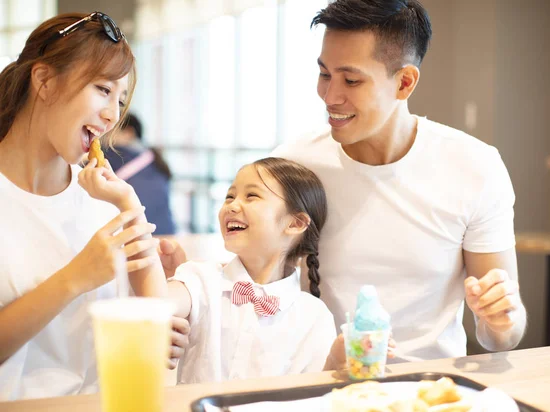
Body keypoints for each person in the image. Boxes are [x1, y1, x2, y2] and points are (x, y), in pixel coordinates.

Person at [272, 0, 527, 360]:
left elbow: (500, 338)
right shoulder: (292, 166)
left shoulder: (476, 167)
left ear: (405, 82)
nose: (330, 96)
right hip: (324, 384)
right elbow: (251, 297)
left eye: (351, 80)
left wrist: (502, 320)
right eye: (324, 74)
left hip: (433, 389)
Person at [0, 12, 187, 401]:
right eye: (102, 89)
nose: (112, 115)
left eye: (120, 99)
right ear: (44, 81)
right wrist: (76, 277)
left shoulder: (102, 200)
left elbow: (147, 336)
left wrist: (155, 320)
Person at [79, 156, 349, 383]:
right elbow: (155, 307)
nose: (231, 205)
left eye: (251, 196)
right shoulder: (200, 279)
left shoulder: (315, 316)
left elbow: (311, 399)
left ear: (295, 223)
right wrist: (128, 202)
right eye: (229, 195)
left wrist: (336, 364)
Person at [105, 113, 176, 235]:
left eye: (111, 131)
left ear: (129, 133)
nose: (104, 136)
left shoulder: (114, 154)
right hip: (168, 231)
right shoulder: (154, 158)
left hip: (139, 235)